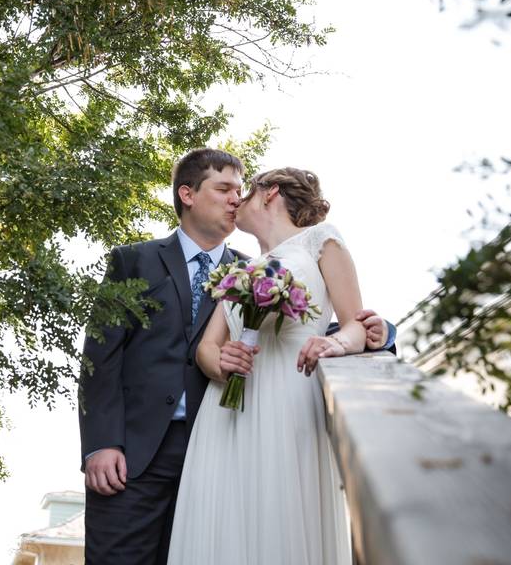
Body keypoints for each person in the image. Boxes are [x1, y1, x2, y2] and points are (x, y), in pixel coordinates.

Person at [79, 151, 390, 565]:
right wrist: (101, 444)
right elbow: (101, 356)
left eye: (240, 191)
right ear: (187, 194)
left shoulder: (253, 266)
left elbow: (326, 324)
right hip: (136, 455)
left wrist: (379, 332)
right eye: (224, 189)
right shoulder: (134, 261)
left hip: (225, 442)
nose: (234, 199)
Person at [167, 167, 362, 565]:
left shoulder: (320, 241)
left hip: (286, 401)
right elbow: (207, 346)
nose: (235, 200)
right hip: (226, 414)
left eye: (245, 191)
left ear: (270, 192)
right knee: (223, 529)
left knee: (280, 518)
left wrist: (335, 342)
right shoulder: (240, 271)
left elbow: (356, 322)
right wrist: (219, 362)